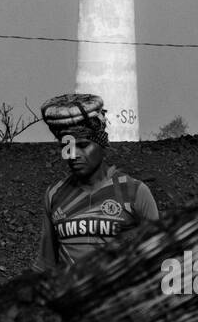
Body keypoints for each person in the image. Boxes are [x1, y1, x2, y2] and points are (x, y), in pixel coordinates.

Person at [33, 93, 160, 272]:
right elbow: (46, 265)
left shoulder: (134, 192)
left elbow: (160, 258)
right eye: (66, 147)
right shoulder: (54, 195)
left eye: (83, 145)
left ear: (101, 144)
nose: (73, 154)